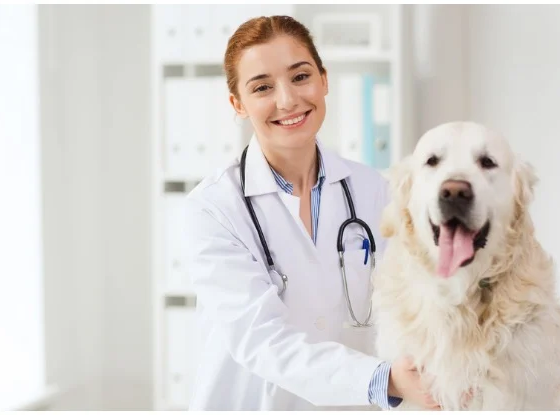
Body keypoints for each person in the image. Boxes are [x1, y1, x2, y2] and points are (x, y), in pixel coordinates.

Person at [183, 15, 439, 411]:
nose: (287, 100)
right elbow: (261, 340)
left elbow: (413, 302)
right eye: (263, 87)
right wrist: (383, 380)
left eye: (300, 77)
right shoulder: (213, 209)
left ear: (324, 80)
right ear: (238, 104)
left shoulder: (374, 191)